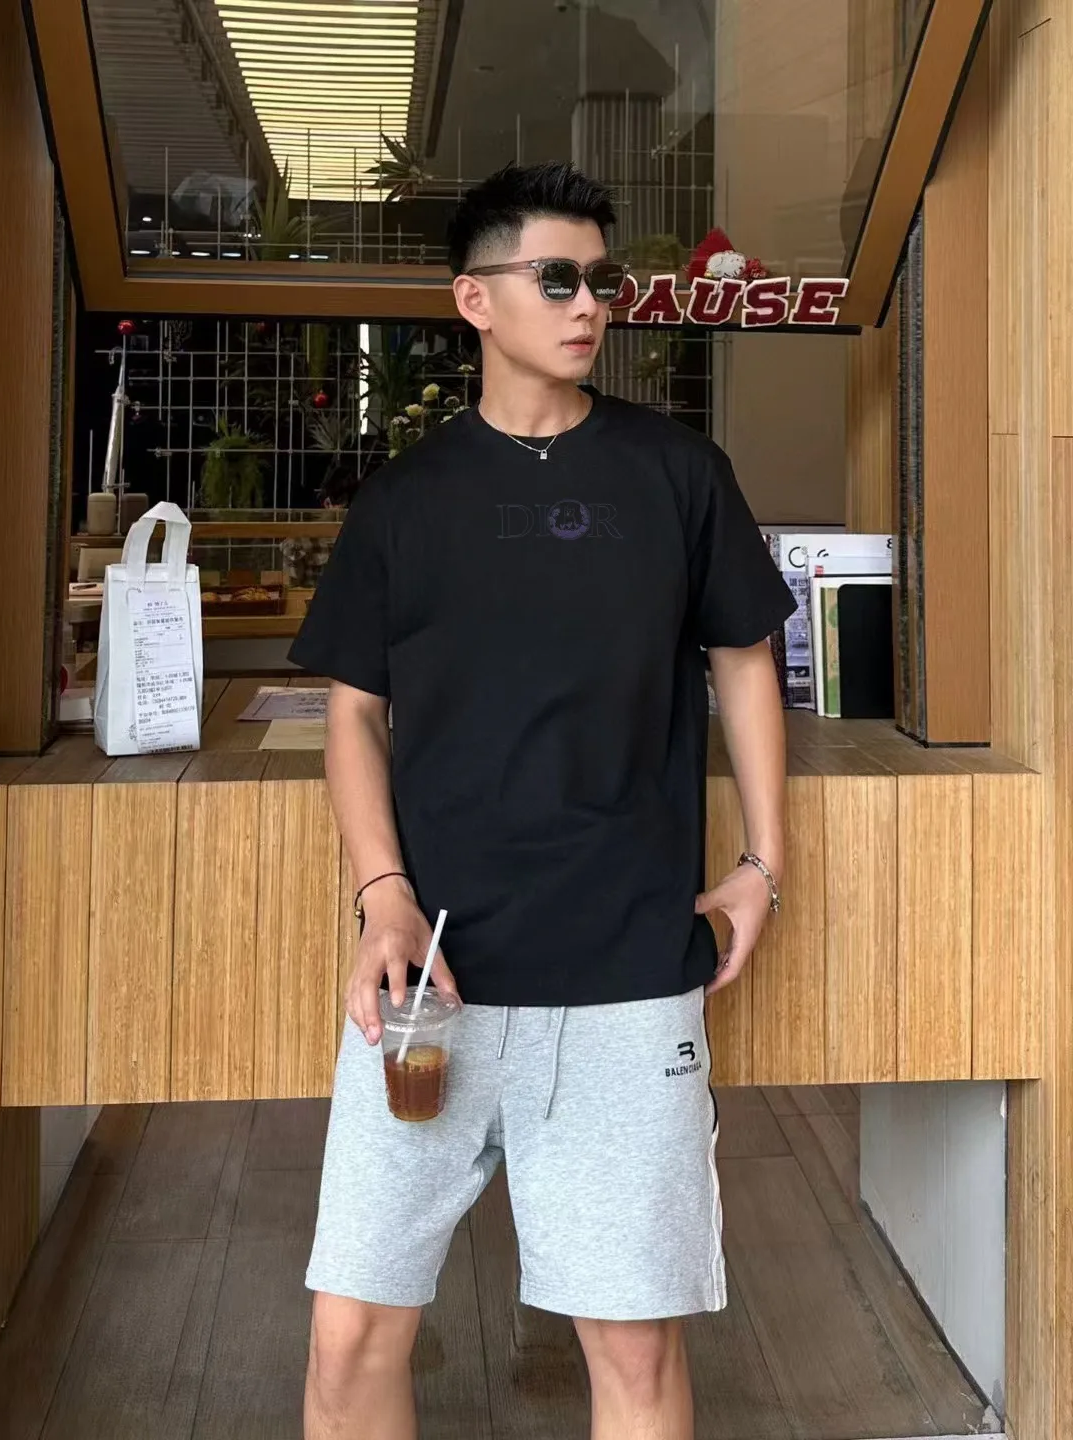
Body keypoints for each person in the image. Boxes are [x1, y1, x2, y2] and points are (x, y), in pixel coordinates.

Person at [290, 160, 797, 1440]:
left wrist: (763, 861)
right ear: (476, 299)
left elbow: (743, 659)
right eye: (557, 278)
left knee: (632, 1347)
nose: (589, 305)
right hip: (432, 983)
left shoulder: (677, 472)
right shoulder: (405, 502)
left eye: (602, 281)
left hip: (626, 970)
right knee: (349, 1338)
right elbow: (353, 710)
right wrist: (382, 897)